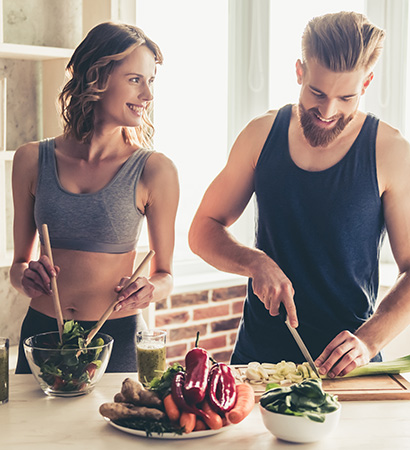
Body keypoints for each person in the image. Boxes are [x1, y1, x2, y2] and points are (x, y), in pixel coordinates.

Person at [189, 11, 410, 378]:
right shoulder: (260, 135)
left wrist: (368, 341)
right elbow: (202, 230)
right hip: (256, 362)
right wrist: (254, 262)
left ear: (367, 83)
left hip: (346, 367)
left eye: (346, 97)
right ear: (299, 71)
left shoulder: (390, 150)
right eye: (317, 93)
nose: (327, 111)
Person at [10, 22, 179, 373]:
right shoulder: (30, 160)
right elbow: (18, 268)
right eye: (135, 80)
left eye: (151, 81)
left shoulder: (155, 170)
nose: (147, 95)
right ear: (96, 78)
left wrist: (149, 289)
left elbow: (164, 274)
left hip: (115, 339)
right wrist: (25, 276)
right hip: (42, 335)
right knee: (32, 430)